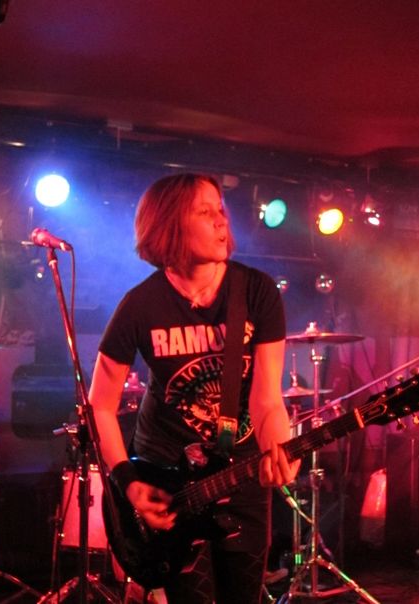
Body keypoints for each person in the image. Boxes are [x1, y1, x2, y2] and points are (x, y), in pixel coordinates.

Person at [89, 173, 300, 603]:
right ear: (169, 224)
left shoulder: (255, 291)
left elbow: (266, 398)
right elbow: (100, 405)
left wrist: (282, 449)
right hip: (169, 479)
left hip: (240, 472)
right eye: (205, 212)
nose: (222, 221)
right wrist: (128, 482)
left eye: (220, 209)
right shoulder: (140, 305)